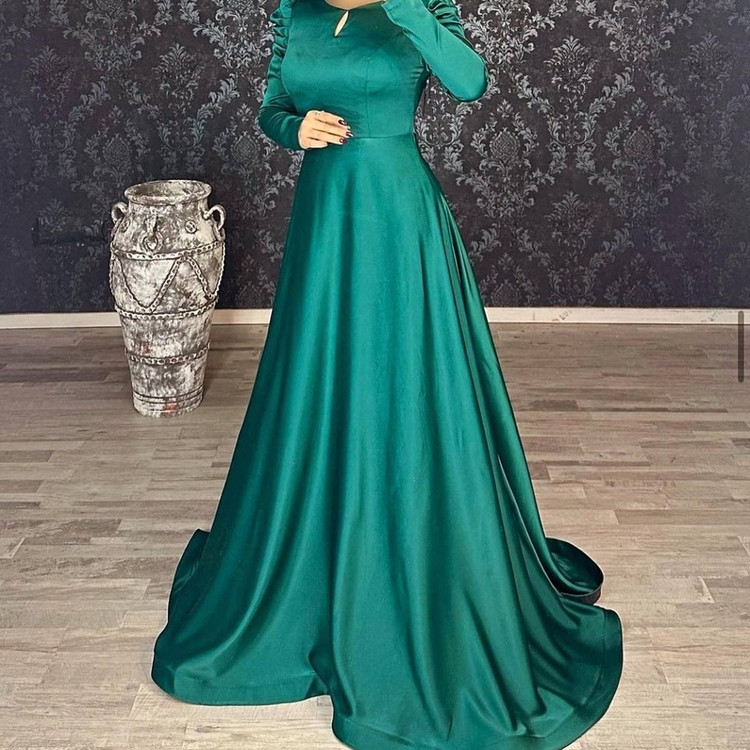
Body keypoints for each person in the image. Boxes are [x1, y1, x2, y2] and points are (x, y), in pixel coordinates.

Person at [151, 1, 624, 748]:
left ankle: (402, 555)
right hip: (324, 220)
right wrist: (292, 130)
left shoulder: (419, 7)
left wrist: (407, 8)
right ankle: (312, 558)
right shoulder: (297, 11)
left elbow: (469, 82)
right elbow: (272, 105)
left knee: (400, 388)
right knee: (317, 388)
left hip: (398, 221)